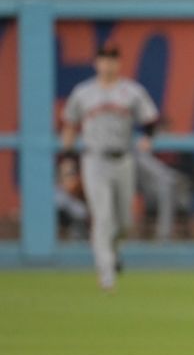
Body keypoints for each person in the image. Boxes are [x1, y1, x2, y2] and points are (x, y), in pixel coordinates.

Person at [61, 46, 159, 291]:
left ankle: (112, 253)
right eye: (104, 59)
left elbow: (150, 120)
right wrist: (67, 161)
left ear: (119, 63)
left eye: (113, 59)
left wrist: (148, 137)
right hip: (94, 160)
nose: (108, 64)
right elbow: (70, 126)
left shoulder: (132, 91)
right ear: (96, 63)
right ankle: (106, 274)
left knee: (125, 222)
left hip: (123, 159)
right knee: (103, 217)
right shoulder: (83, 93)